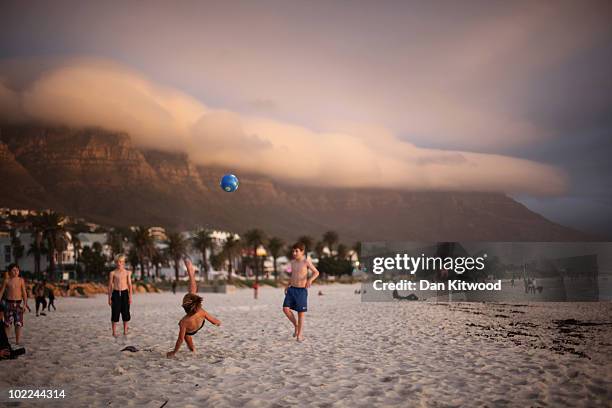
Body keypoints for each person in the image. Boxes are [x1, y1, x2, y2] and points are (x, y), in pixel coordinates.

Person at [167, 258, 221, 358]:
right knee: (192, 295)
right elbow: (213, 320)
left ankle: (192, 349)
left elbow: (180, 339)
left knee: (187, 335)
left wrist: (174, 352)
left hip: (190, 328)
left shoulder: (183, 322)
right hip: (200, 322)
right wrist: (218, 323)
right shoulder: (201, 311)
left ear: (184, 307)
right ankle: (191, 273)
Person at [282, 242, 320, 342]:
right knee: (285, 309)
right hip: (292, 289)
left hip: (301, 290)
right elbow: (293, 275)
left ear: (302, 252)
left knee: (300, 313)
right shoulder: (293, 262)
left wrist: (310, 280)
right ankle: (296, 325)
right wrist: (287, 285)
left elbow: (316, 272)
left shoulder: (306, 261)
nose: (294, 253)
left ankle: (300, 334)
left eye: (296, 251)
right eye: (293, 251)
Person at [0, 264, 28, 346]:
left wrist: (25, 304)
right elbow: (1, 293)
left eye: (17, 270)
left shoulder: (21, 280)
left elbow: (24, 293)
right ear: (9, 271)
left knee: (18, 324)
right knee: (7, 324)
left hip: (18, 304)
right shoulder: (6, 280)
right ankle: (5, 341)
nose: (16, 272)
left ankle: (17, 341)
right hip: (9, 304)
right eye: (14, 270)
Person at [108, 255, 133, 337]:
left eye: (121, 262)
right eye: (117, 262)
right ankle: (114, 332)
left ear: (123, 263)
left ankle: (125, 331)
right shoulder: (112, 273)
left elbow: (130, 285)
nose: (119, 263)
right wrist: (109, 298)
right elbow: (110, 286)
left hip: (125, 293)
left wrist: (130, 297)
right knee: (115, 313)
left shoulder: (127, 273)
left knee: (125, 312)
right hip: (115, 293)